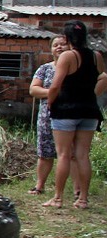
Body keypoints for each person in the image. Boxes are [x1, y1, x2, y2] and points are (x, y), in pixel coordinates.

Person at [45, 21, 105, 209]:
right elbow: (102, 76)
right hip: (89, 110)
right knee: (82, 155)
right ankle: (83, 199)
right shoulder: (96, 56)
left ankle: (58, 198)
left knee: (63, 154)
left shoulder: (67, 56)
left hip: (66, 110)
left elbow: (55, 86)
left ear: (67, 38)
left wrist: (50, 102)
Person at [29, 36, 72, 194]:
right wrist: (53, 93)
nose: (59, 47)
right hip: (47, 116)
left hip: (70, 116)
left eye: (63, 44)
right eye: (55, 45)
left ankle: (76, 191)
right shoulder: (45, 69)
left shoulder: (75, 69)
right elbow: (34, 89)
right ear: (51, 49)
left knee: (71, 153)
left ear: (70, 47)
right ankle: (39, 186)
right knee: (45, 153)